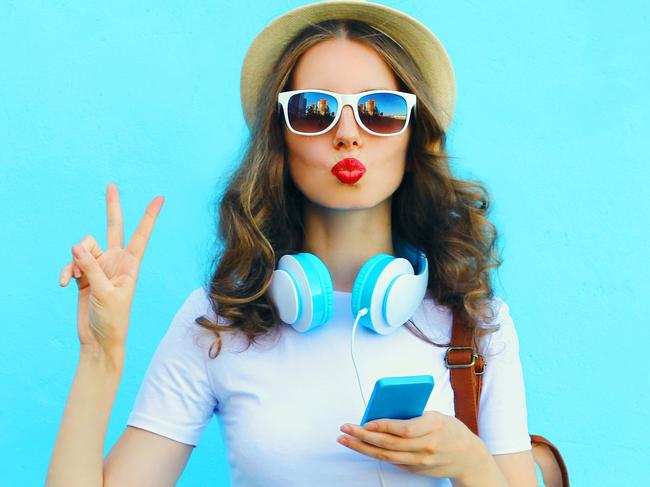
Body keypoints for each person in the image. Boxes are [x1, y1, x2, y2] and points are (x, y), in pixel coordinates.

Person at [46, 1, 541, 485]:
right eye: (314, 110)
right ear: (280, 140)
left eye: (380, 110)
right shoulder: (217, 323)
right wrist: (100, 354)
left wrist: (471, 464)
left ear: (412, 138)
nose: (348, 135)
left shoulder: (476, 324)